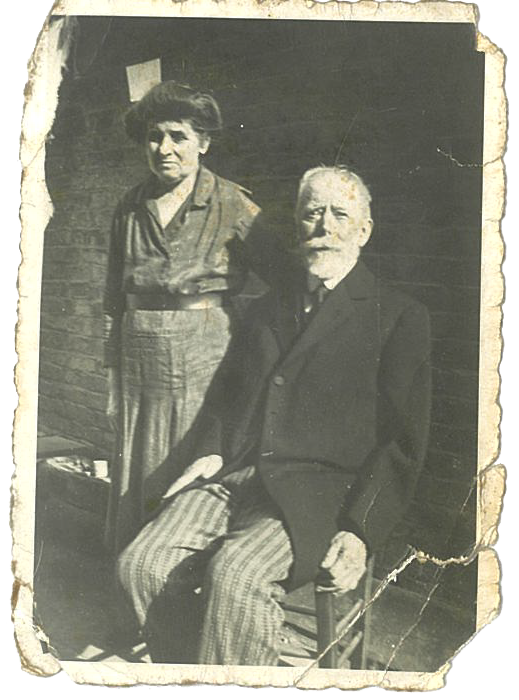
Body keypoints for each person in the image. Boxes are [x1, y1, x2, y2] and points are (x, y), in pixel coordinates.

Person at [117, 165, 432, 666]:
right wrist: (210, 453)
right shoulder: (269, 307)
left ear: (364, 230)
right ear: (298, 225)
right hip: (237, 476)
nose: (323, 227)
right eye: (312, 213)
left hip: (315, 495)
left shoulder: (397, 316)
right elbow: (228, 395)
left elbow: (402, 444)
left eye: (339, 214)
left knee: (236, 576)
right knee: (142, 564)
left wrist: (360, 530)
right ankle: (192, 675)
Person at [103, 81, 286, 555]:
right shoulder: (129, 207)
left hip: (204, 360)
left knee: (189, 462)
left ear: (203, 142)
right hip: (137, 366)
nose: (164, 148)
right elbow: (113, 300)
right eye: (154, 137)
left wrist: (250, 332)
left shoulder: (233, 203)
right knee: (135, 466)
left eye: (178, 136)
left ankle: (174, 575)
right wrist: (112, 377)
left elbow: (285, 278)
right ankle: (129, 572)